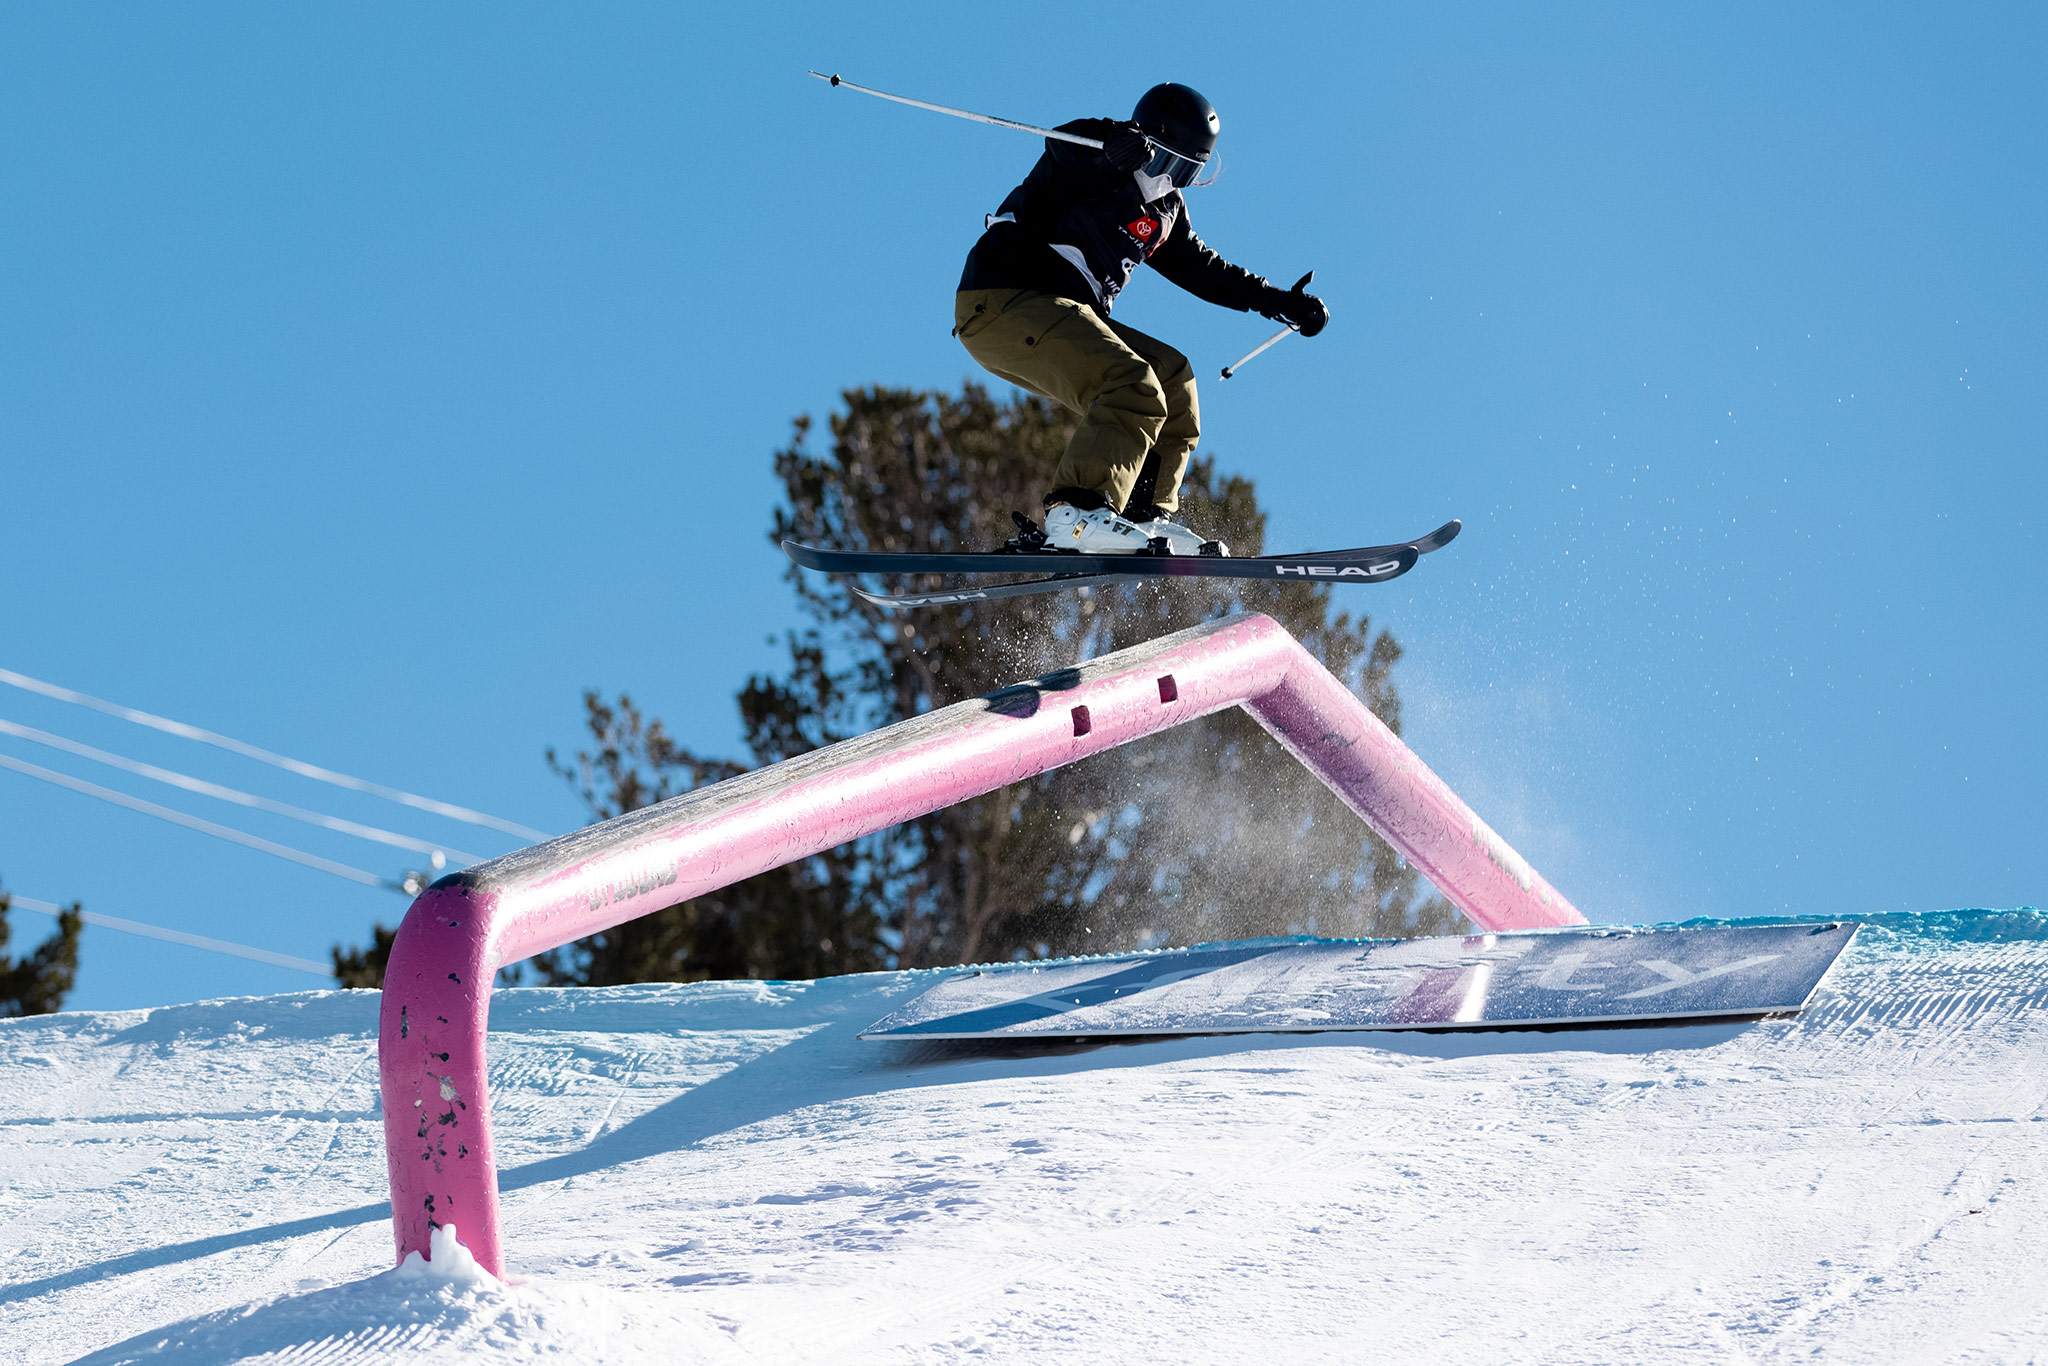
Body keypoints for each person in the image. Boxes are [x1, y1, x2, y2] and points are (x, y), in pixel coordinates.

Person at [953, 82, 1328, 555]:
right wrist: (1113, 147)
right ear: (1145, 142)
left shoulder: (1165, 207)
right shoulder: (1099, 161)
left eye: (1186, 171)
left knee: (1172, 378)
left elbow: (1206, 270)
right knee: (1130, 382)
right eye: (1164, 162)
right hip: (1005, 297)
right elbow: (1064, 146)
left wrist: (1278, 301)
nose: (1168, 178)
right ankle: (1076, 513)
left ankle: (1143, 514)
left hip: (1062, 312)